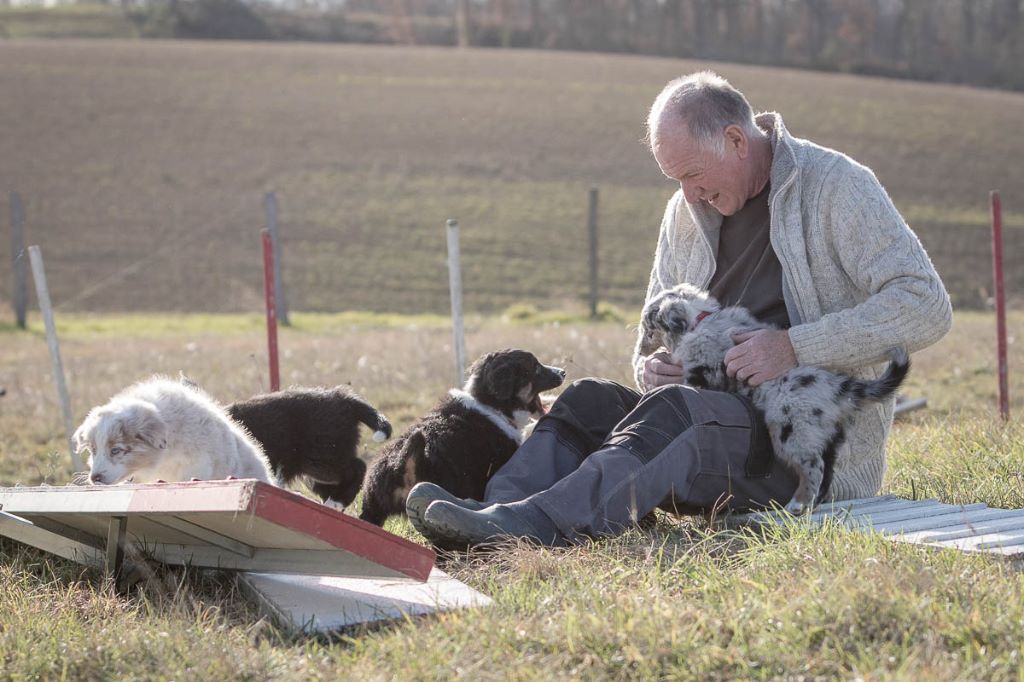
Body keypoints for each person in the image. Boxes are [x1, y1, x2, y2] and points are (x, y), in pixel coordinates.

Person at [406, 70, 952, 548]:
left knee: (679, 414)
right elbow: (649, 328)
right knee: (590, 399)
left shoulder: (838, 187)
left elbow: (926, 304)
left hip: (797, 451)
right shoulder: (684, 211)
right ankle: (493, 511)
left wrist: (793, 347)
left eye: (693, 176)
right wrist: (649, 368)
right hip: (706, 428)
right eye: (677, 181)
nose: (687, 195)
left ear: (737, 140)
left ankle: (538, 525)